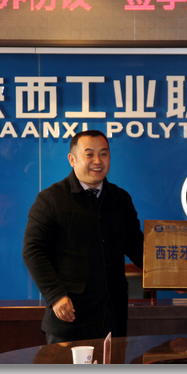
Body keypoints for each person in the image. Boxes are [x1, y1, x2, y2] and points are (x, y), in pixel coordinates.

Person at [23, 130, 144, 344]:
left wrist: (170, 276)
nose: (98, 161)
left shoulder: (120, 199)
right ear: (72, 159)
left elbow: (137, 248)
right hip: (70, 316)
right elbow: (33, 251)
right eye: (89, 154)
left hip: (112, 317)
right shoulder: (51, 199)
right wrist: (55, 295)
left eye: (103, 154)